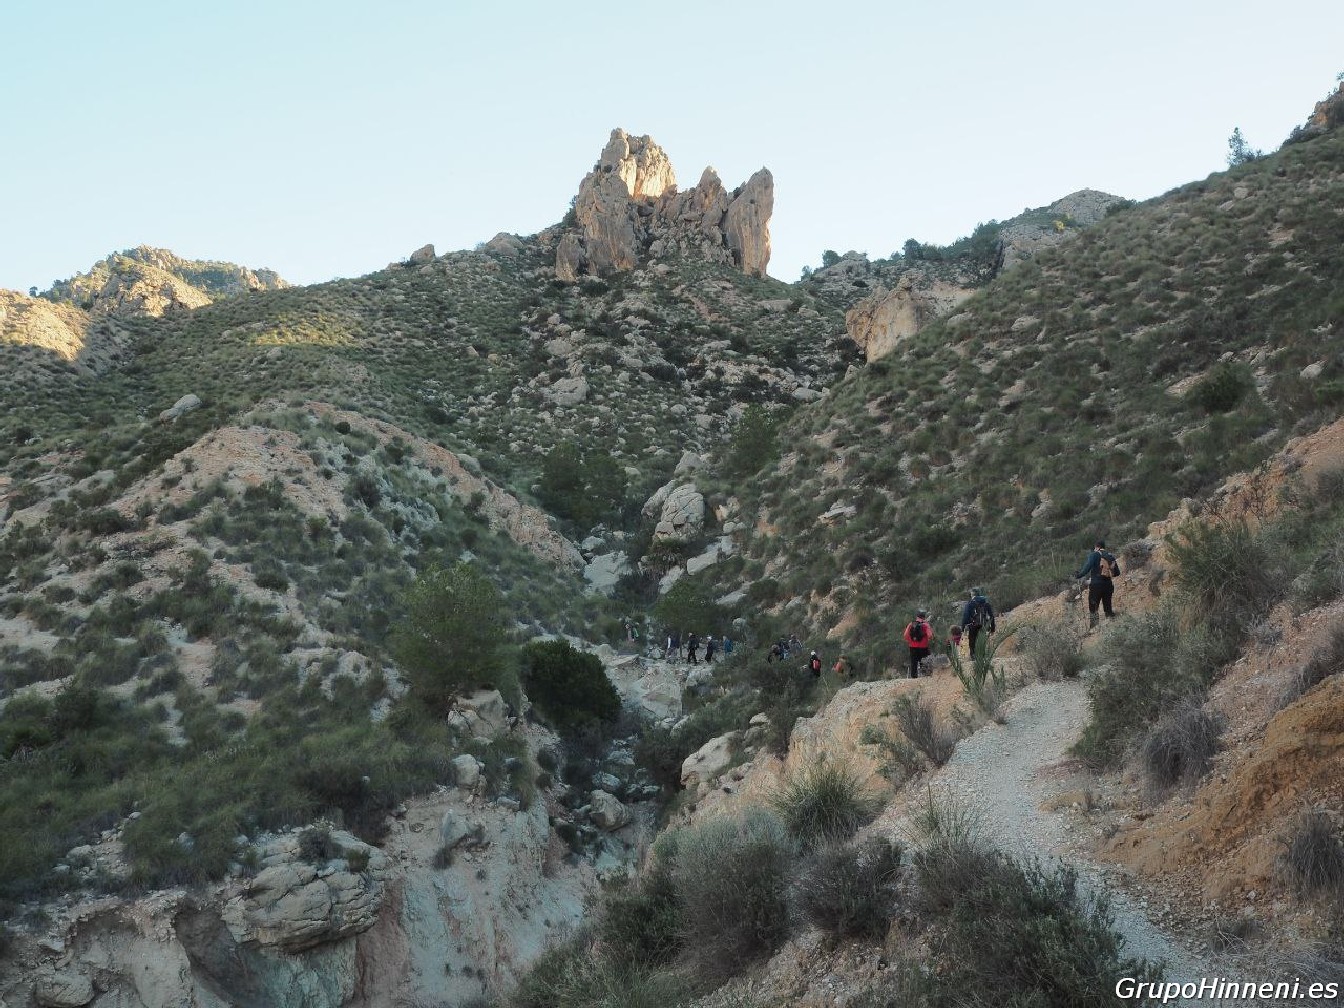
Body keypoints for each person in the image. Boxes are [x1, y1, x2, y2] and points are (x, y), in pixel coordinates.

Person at [1076, 539, 1121, 627]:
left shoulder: (1094, 555)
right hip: (1108, 585)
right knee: (1108, 607)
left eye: (1094, 548)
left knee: (1093, 607)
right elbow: (1117, 573)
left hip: (1096, 585)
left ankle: (1094, 628)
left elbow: (1087, 567)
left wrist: (1079, 575)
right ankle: (1112, 626)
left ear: (1097, 547)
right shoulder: (1110, 556)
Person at [960, 587, 996, 656]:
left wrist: (963, 628)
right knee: (981, 640)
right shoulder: (986, 603)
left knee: (972, 641)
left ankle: (973, 656)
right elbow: (991, 616)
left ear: (972, 594)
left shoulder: (970, 603)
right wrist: (992, 628)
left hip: (973, 625)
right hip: (983, 625)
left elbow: (965, 616)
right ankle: (982, 656)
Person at [903, 609, 934, 679]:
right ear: (924, 617)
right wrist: (927, 639)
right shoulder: (926, 625)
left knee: (913, 662)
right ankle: (925, 677)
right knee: (924, 662)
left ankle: (914, 678)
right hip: (923, 647)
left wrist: (911, 641)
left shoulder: (911, 624)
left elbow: (905, 635)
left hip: (912, 647)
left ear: (917, 616)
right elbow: (930, 636)